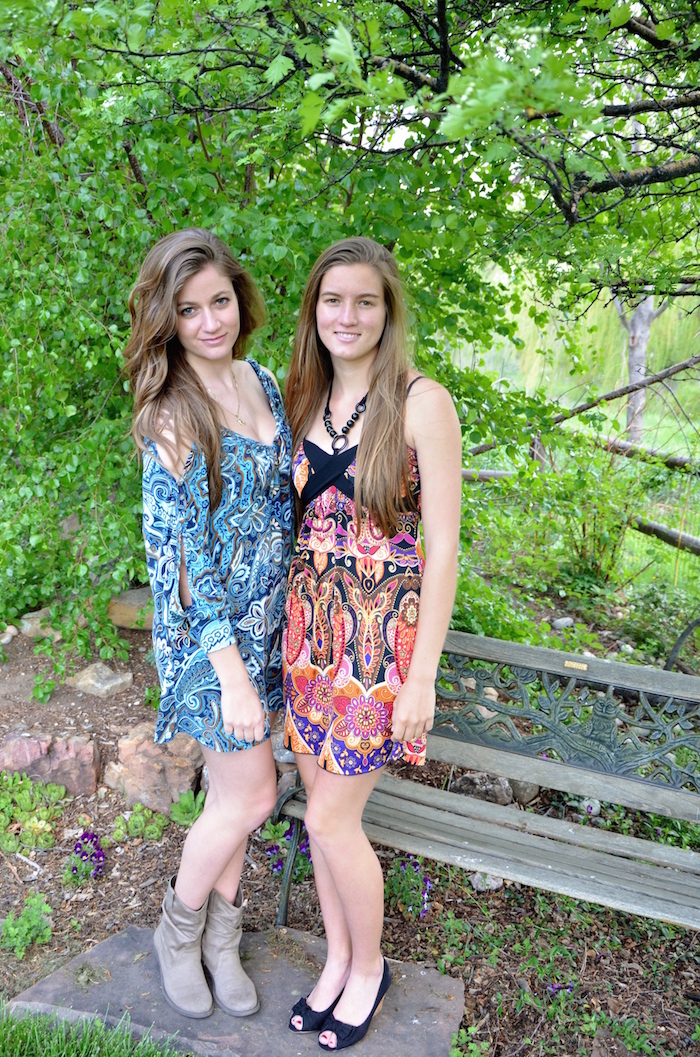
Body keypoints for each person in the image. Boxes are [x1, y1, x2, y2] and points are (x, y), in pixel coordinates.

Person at [282, 237, 462, 1050]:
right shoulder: (303, 397)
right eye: (333, 300)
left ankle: (370, 967)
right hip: (308, 640)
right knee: (318, 815)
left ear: (388, 312)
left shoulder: (422, 402)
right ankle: (337, 958)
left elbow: (445, 550)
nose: (347, 315)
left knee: (330, 818)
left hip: (380, 649)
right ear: (314, 311)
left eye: (365, 301)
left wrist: (422, 677)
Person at [124, 228, 292, 1020]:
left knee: (236, 796)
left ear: (239, 299)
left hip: (268, 628)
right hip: (210, 640)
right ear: (168, 321)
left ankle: (222, 943)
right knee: (253, 796)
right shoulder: (171, 413)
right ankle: (178, 928)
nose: (210, 321)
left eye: (219, 301)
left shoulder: (263, 380)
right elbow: (187, 564)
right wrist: (232, 676)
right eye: (189, 310)